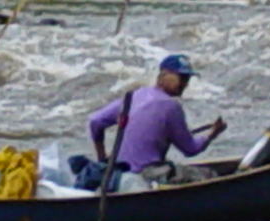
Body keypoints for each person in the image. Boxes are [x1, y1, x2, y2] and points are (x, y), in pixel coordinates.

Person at [87, 53, 227, 186]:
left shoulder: (135, 95)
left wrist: (102, 159)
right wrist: (212, 133)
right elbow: (190, 149)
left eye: (187, 79)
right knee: (209, 175)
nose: (185, 84)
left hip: (119, 171)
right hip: (147, 173)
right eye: (181, 78)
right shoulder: (170, 106)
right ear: (163, 75)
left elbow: (95, 121)